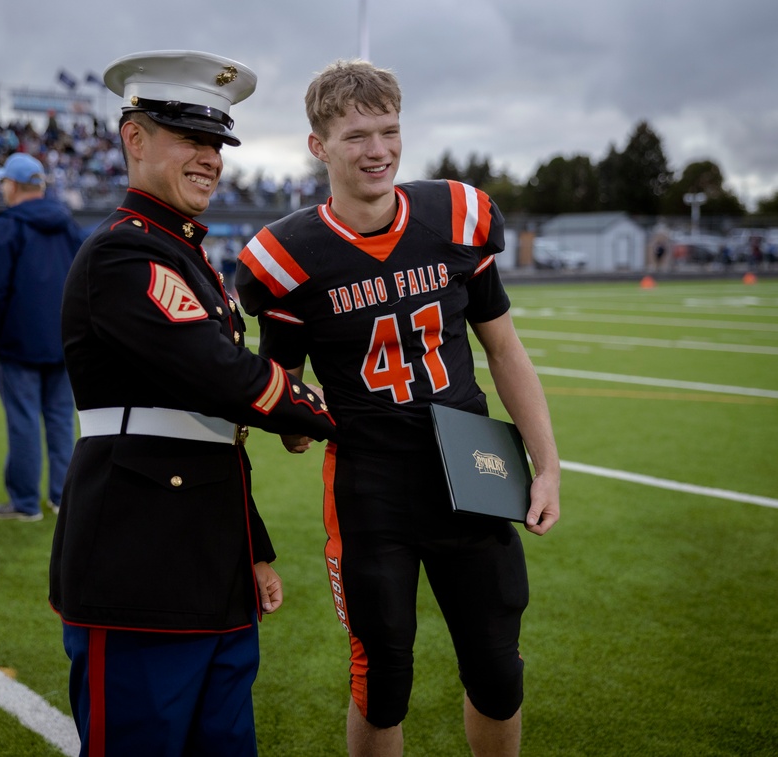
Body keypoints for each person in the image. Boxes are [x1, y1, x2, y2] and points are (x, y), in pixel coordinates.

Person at [235, 59, 561, 757]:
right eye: (355, 135)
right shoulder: (288, 257)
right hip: (370, 487)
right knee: (381, 681)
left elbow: (504, 350)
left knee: (498, 669)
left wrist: (547, 463)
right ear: (317, 145)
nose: (377, 149)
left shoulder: (455, 218)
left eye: (387, 130)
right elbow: (286, 399)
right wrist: (296, 422)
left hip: (473, 464)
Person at [49, 50, 337, 756]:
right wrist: (322, 412)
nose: (209, 158)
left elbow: (211, 435)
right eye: (189, 138)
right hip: (139, 566)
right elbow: (220, 375)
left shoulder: (184, 255)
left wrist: (255, 550)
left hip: (212, 563)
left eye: (215, 143)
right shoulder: (125, 255)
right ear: (134, 138)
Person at [0, 152, 85, 521]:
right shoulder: (68, 225)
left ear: (15, 185)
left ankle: (24, 503)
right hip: (62, 342)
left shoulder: (6, 227)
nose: (2, 187)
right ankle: (60, 498)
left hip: (17, 344)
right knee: (60, 421)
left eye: (5, 181)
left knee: (22, 421)